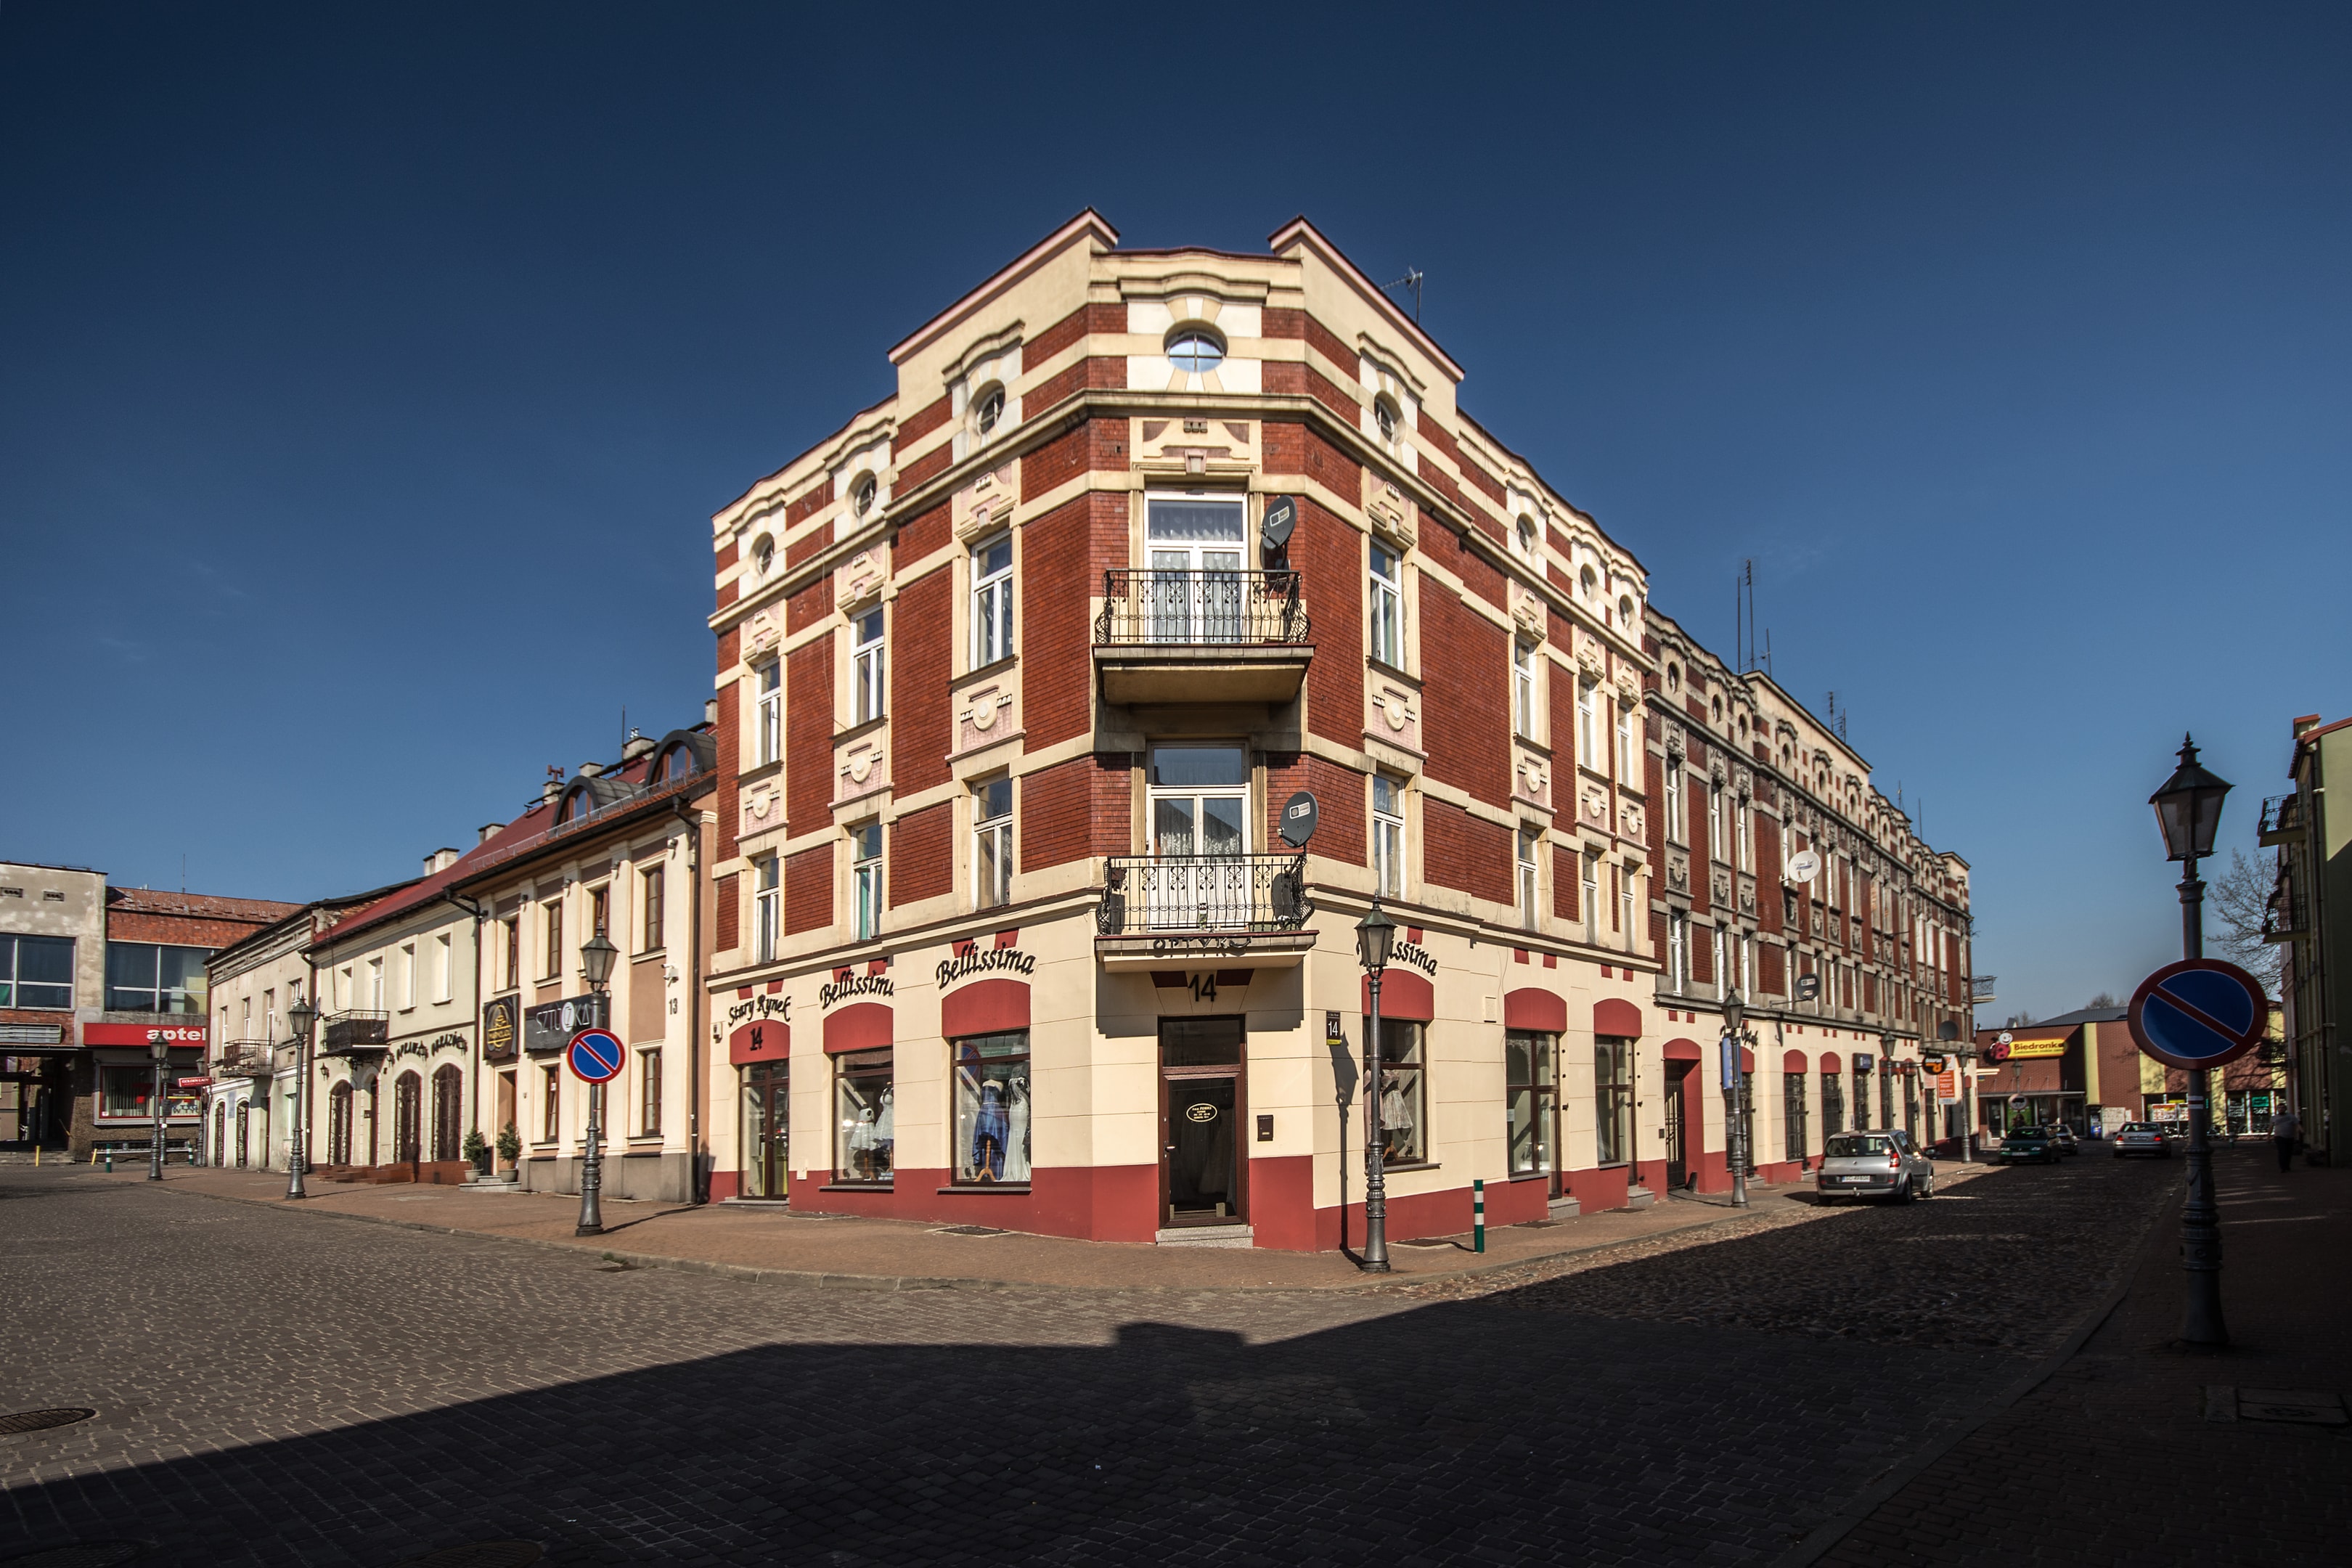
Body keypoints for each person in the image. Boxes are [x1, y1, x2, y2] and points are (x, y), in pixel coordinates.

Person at [2271, 1106, 2303, 1173]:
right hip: (2279, 1137)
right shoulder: (2274, 1118)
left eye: (2283, 1108)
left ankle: (2287, 1165)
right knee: (2282, 1152)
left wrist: (2302, 1130)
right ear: (2277, 1109)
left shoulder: (2291, 1116)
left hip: (2289, 1137)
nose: (2281, 1109)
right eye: (2279, 1108)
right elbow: (2271, 1127)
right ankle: (2282, 1167)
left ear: (2285, 1109)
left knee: (2288, 1152)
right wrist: (2268, 1137)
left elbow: (2297, 1124)